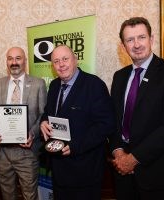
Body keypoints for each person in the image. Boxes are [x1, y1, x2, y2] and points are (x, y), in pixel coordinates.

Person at [110, 17, 164, 200]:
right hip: (123, 176)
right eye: (130, 40)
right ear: (123, 46)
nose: (136, 44)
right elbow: (113, 120)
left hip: (158, 175)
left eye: (141, 37)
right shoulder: (119, 77)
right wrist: (118, 152)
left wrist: (133, 158)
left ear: (151, 39)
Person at [40, 44, 116, 200]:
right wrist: (43, 122)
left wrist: (75, 147)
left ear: (75, 60)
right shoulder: (54, 86)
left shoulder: (94, 85)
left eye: (65, 59)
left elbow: (106, 124)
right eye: (56, 61)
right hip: (59, 169)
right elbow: (48, 112)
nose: (61, 64)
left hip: (85, 170)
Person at [0, 47, 47, 200]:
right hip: (2, 152)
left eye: (18, 58)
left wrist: (32, 133)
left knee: (29, 195)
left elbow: (43, 115)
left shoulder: (38, 84)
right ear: (6, 61)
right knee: (7, 195)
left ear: (25, 61)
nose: (14, 62)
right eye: (10, 58)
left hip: (27, 152)